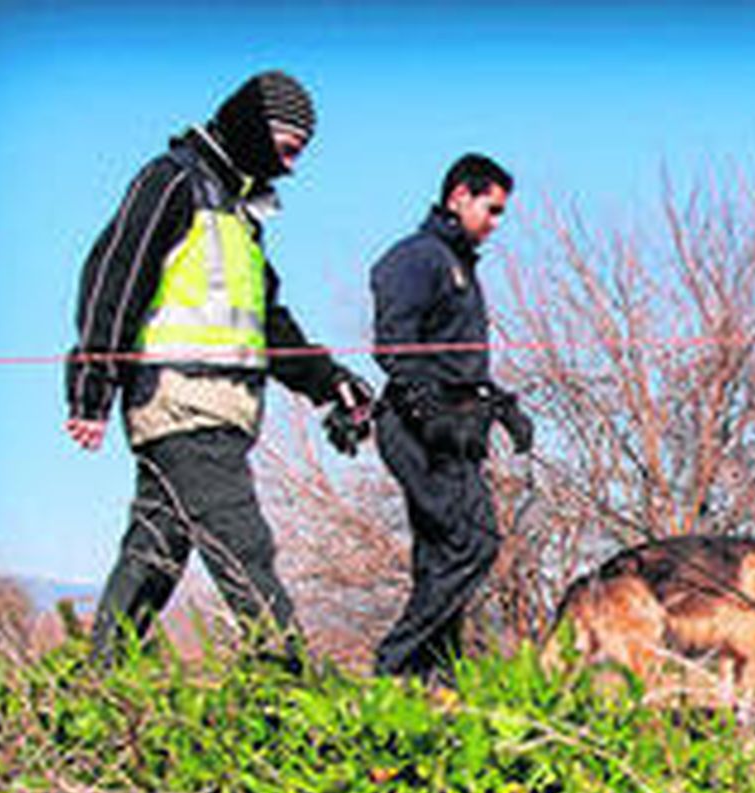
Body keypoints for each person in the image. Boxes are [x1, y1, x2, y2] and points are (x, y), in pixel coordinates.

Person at [65, 70, 374, 667]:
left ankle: (98, 683)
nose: (290, 167)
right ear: (255, 130)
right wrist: (91, 388)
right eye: (287, 150)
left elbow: (267, 324)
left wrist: (329, 380)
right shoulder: (172, 182)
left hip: (220, 411)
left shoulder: (240, 218)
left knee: (153, 554)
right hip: (182, 403)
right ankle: (290, 687)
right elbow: (113, 276)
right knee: (245, 547)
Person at [370, 153, 533, 687]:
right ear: (459, 195)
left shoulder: (459, 263)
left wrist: (500, 404)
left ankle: (433, 676)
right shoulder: (419, 257)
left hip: (459, 430)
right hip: (420, 431)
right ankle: (396, 663)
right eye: (492, 209)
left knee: (442, 551)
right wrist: (427, 408)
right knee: (473, 542)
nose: (495, 223)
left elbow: (455, 360)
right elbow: (395, 345)